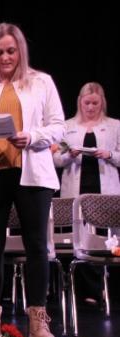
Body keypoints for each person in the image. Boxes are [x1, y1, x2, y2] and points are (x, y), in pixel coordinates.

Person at [0, 23, 65, 337]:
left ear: (20, 51)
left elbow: (58, 126)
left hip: (31, 173)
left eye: (11, 50)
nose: (5, 57)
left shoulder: (40, 82)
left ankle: (38, 319)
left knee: (37, 246)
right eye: (0, 51)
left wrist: (32, 137)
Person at [53, 82, 120, 305]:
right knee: (79, 238)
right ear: (80, 102)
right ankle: (86, 290)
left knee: (105, 239)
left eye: (95, 103)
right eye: (87, 102)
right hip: (76, 190)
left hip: (105, 192)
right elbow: (56, 158)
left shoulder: (114, 126)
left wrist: (109, 154)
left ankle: (104, 288)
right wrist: (70, 155)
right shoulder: (67, 126)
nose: (90, 107)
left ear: (102, 103)